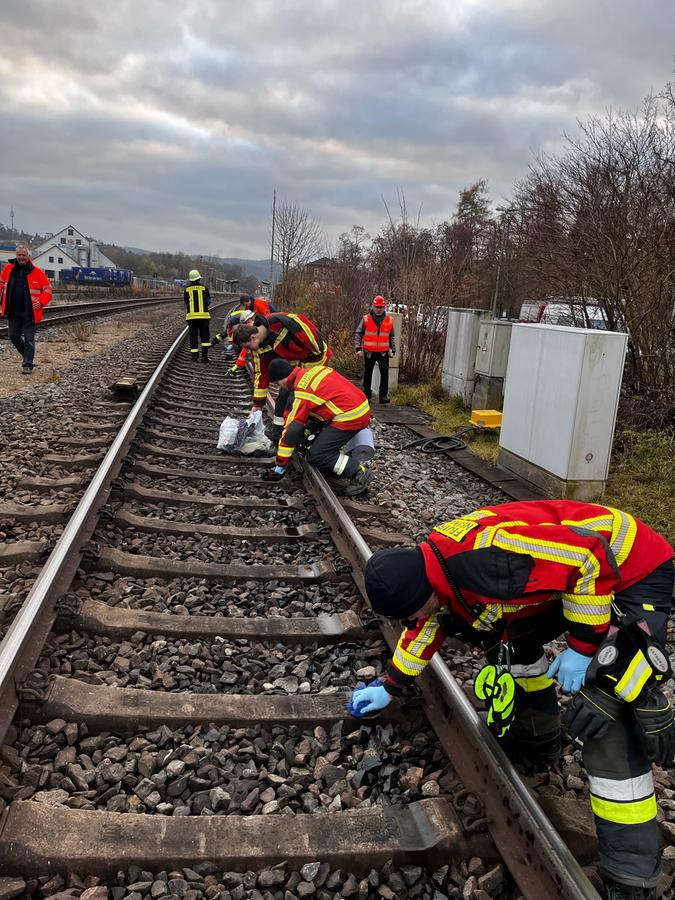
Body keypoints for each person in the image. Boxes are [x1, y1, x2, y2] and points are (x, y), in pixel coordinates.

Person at [348, 500, 674, 900]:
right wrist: (392, 685)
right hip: (581, 568)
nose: (411, 620)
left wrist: (585, 646)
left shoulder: (490, 560)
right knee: (505, 635)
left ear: (423, 589)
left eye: (411, 611)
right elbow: (428, 623)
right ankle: (539, 736)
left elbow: (589, 556)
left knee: (607, 698)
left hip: (631, 566)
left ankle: (632, 876)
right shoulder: (437, 568)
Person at [261, 359, 372, 496]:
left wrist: (280, 466)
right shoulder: (313, 371)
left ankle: (358, 472)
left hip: (350, 417)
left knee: (316, 455)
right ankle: (332, 466)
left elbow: (291, 431)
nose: (280, 387)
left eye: (278, 384)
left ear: (282, 379)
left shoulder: (303, 392)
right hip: (357, 406)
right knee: (312, 435)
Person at [232, 311, 331, 436]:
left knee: (303, 400)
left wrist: (305, 376)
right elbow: (261, 374)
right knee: (283, 395)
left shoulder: (282, 323)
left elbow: (315, 343)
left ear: (253, 337)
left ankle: (308, 430)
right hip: (294, 366)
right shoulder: (258, 348)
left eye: (247, 346)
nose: (248, 350)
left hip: (315, 359)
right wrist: (257, 404)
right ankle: (279, 432)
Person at [0, 245, 52, 374]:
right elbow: (1, 284)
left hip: (30, 312)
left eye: (24, 255)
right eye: (19, 255)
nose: (21, 258)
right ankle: (27, 356)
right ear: (16, 255)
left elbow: (47, 289)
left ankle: (27, 364)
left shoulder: (37, 272)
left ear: (29, 256)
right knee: (13, 336)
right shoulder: (8, 269)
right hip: (13, 310)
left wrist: (41, 302)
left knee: (29, 339)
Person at [213, 295, 277, 378]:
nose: (245, 306)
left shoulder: (259, 304)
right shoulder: (250, 315)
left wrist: (235, 368)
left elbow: (267, 317)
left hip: (272, 323)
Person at [355, 295, 396, 404]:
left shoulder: (389, 320)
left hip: (383, 352)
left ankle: (383, 396)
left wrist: (393, 349)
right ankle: (367, 394)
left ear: (384, 307)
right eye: (377, 307)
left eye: (381, 307)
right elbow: (359, 333)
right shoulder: (366, 319)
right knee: (368, 373)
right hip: (369, 352)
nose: (378, 309)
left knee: (384, 373)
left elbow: (391, 336)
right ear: (373, 306)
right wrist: (358, 348)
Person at [184, 269, 211, 363]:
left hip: (192, 318)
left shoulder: (187, 289)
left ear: (190, 279)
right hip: (204, 317)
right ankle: (204, 357)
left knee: (193, 336)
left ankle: (194, 357)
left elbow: (186, 302)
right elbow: (209, 301)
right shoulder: (204, 288)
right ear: (199, 278)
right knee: (205, 337)